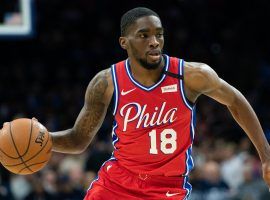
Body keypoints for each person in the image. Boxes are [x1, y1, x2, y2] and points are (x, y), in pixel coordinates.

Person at [36, 7, 270, 199]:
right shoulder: (106, 83)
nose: (154, 41)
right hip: (117, 183)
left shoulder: (191, 75)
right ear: (124, 42)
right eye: (143, 35)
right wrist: (41, 139)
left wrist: (266, 156)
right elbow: (78, 140)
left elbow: (237, 102)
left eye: (158, 34)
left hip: (166, 187)